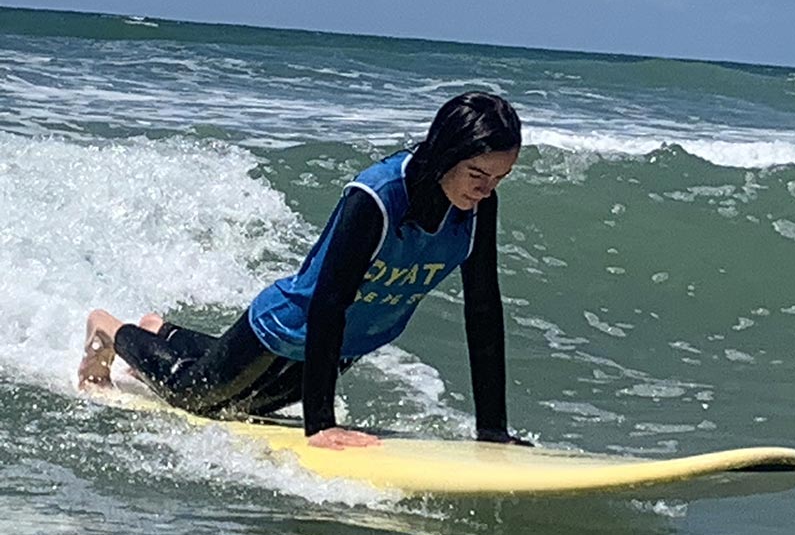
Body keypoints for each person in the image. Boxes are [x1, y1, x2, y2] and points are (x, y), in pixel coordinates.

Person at [78, 92, 529, 450]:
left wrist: (492, 428)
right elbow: (330, 302)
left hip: (343, 344)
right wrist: (321, 426)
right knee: (195, 398)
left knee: (248, 403)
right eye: (478, 174)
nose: (488, 191)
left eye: (499, 179)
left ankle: (163, 330)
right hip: (291, 325)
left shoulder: (476, 206)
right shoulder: (377, 198)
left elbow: (484, 309)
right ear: (447, 154)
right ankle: (112, 329)